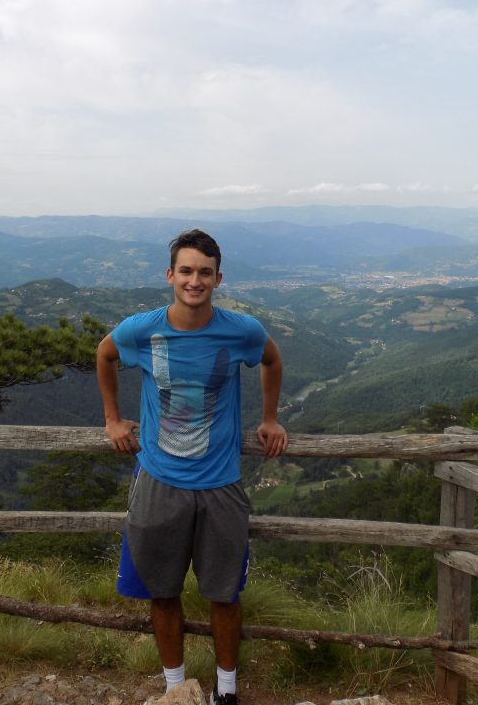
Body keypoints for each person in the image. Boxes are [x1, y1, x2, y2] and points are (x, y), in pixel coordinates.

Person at [96, 229, 288, 705]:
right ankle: (176, 687)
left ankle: (226, 691)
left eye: (204, 272)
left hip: (221, 483)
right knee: (162, 591)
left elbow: (271, 359)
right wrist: (112, 419)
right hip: (159, 479)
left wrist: (269, 418)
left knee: (224, 594)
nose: (194, 280)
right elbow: (104, 354)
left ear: (218, 278)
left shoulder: (240, 330)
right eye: (186, 271)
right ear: (170, 275)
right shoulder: (142, 329)